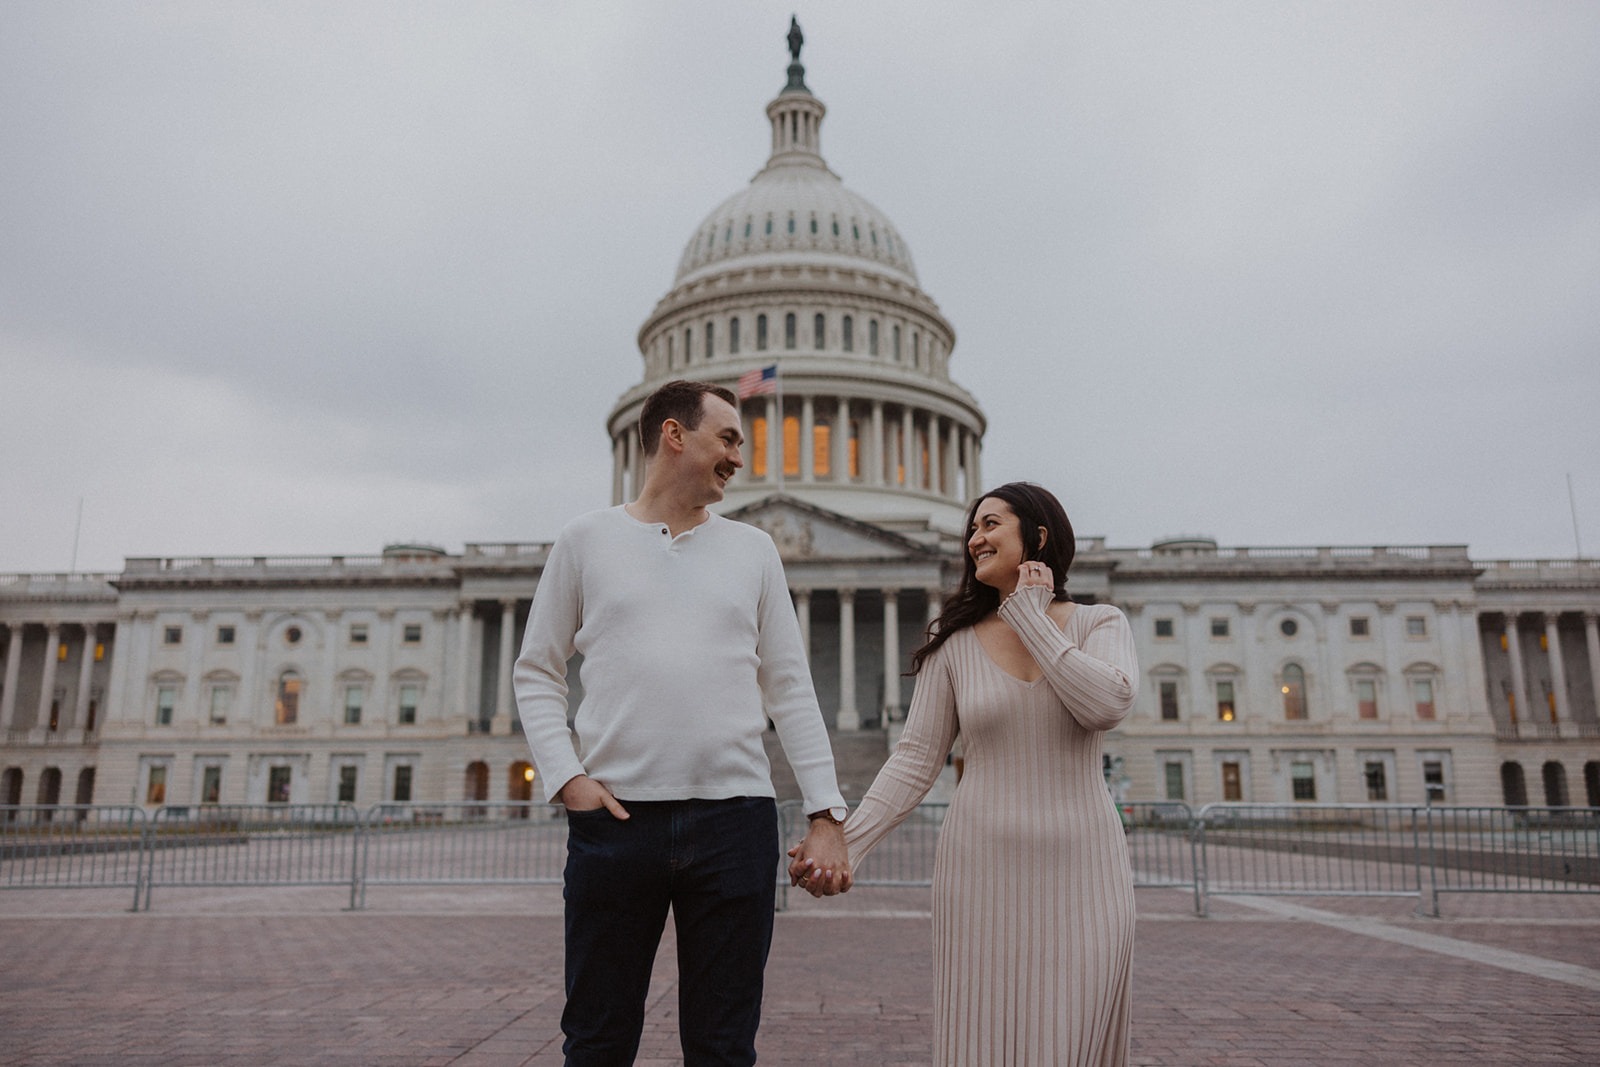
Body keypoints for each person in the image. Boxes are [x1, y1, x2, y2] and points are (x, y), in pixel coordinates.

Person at [515, 379, 851, 1066]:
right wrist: (567, 777)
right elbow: (537, 669)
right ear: (675, 434)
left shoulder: (754, 548)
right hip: (616, 819)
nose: (739, 456)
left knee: (724, 1044)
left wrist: (826, 809)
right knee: (597, 1038)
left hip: (735, 820)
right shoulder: (584, 541)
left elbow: (789, 686)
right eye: (728, 438)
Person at [790, 481, 1139, 1066]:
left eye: (990, 525)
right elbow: (913, 761)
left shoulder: (1100, 623)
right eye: (972, 529)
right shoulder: (951, 645)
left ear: (1039, 535)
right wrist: (844, 843)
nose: (975, 538)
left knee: (1075, 1035)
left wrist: (1030, 616)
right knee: (986, 1036)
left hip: (1086, 864)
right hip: (981, 869)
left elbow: (1104, 705)